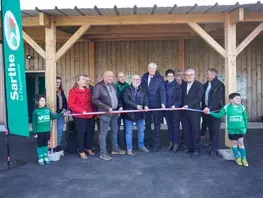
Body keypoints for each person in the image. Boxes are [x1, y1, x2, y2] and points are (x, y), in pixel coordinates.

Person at [206, 93, 248, 167]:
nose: (239, 100)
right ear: (231, 100)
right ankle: (237, 158)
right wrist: (210, 113)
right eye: (236, 98)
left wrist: (245, 128)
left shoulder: (242, 108)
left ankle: (244, 158)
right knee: (234, 143)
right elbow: (219, 115)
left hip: (240, 129)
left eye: (239, 98)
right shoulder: (226, 107)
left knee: (241, 143)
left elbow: (245, 118)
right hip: (231, 130)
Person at [92, 71, 126, 161]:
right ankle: (103, 152)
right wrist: (107, 107)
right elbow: (94, 100)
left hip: (115, 113)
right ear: (104, 77)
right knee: (103, 133)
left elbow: (118, 98)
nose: (111, 78)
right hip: (105, 114)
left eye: (112, 76)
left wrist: (120, 107)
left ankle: (115, 149)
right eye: (109, 76)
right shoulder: (98, 86)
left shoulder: (113, 85)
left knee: (115, 131)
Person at [68, 74, 95, 160]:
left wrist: (95, 113)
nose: (85, 81)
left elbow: (93, 102)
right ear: (78, 81)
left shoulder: (89, 90)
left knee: (90, 132)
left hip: (90, 114)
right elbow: (71, 104)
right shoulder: (73, 91)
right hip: (80, 116)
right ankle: (81, 150)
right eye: (82, 79)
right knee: (81, 133)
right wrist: (81, 111)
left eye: (85, 79)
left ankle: (88, 147)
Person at [32, 95, 64, 165]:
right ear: (38, 102)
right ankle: (40, 158)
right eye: (41, 101)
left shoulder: (47, 110)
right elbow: (34, 123)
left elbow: (53, 117)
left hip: (47, 131)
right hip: (39, 131)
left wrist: (60, 114)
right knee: (40, 145)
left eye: (44, 101)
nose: (43, 102)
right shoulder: (35, 111)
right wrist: (34, 132)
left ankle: (45, 157)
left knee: (45, 144)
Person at [122, 74, 150, 155]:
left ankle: (141, 146)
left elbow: (146, 99)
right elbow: (126, 100)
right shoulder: (126, 89)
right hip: (129, 114)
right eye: (135, 79)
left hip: (140, 114)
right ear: (132, 80)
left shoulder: (143, 89)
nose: (137, 81)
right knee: (129, 132)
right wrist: (136, 106)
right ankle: (129, 149)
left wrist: (146, 105)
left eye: (138, 80)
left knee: (141, 131)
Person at [141, 62, 166, 152]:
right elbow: (142, 91)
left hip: (156, 105)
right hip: (146, 106)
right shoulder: (143, 78)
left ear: (156, 69)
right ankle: (147, 143)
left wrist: (163, 103)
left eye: (153, 69)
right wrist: (143, 104)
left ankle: (157, 144)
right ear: (148, 69)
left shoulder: (160, 79)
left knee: (157, 125)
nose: (152, 70)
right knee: (147, 125)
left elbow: (162, 91)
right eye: (150, 68)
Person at [202, 68, 225, 156]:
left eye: (208, 74)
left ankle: (215, 149)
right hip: (206, 111)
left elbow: (218, 98)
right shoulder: (206, 84)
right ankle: (212, 144)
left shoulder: (219, 85)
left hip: (215, 111)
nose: (206, 75)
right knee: (210, 129)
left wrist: (209, 107)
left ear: (213, 75)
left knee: (215, 130)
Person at [182, 68, 203, 158]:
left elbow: (197, 98)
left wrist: (188, 105)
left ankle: (196, 149)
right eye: (187, 75)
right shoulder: (183, 85)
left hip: (194, 112)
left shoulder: (199, 85)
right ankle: (189, 147)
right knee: (186, 130)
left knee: (195, 130)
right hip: (184, 112)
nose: (188, 76)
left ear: (194, 75)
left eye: (190, 75)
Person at [164, 69, 182, 153]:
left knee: (175, 127)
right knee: (170, 127)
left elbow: (179, 99)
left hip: (175, 110)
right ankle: (171, 142)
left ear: (174, 76)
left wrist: (175, 106)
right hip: (167, 109)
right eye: (168, 76)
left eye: (172, 76)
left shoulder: (178, 86)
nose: (170, 77)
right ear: (166, 77)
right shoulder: (164, 85)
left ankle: (176, 143)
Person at [115, 72, 129, 146]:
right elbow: (116, 99)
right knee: (117, 127)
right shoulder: (115, 86)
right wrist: (119, 106)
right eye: (120, 77)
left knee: (127, 128)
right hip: (118, 109)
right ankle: (116, 145)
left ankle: (127, 144)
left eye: (123, 76)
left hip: (127, 109)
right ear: (117, 78)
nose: (122, 78)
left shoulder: (128, 85)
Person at [56, 77, 67, 150]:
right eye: (57, 82)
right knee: (51, 130)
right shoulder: (48, 91)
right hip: (53, 114)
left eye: (59, 82)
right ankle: (50, 145)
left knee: (60, 129)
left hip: (61, 114)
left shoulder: (61, 91)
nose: (58, 84)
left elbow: (65, 102)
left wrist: (64, 109)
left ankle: (58, 144)